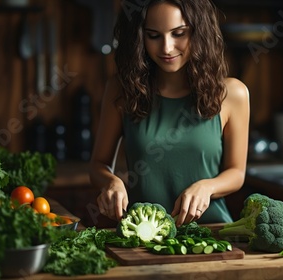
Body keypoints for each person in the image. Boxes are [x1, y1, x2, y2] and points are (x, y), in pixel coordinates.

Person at [89, 0, 250, 226]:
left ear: (199, 32)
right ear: (139, 38)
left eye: (179, 34)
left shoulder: (233, 94)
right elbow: (98, 164)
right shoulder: (121, 91)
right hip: (143, 234)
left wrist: (207, 186)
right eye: (153, 35)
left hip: (212, 232)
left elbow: (236, 173)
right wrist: (110, 182)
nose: (166, 47)